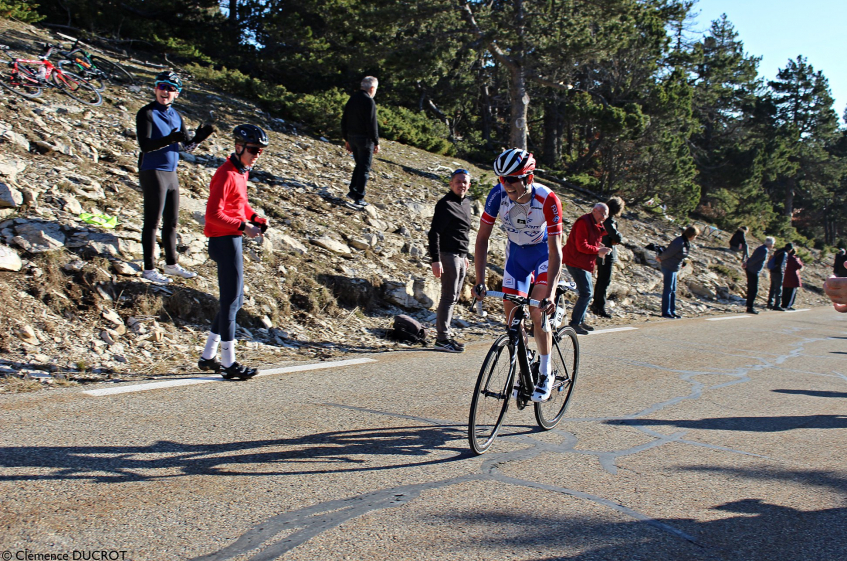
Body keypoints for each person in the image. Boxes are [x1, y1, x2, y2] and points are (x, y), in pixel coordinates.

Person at [473, 149, 563, 402]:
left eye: (512, 178)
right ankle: (524, 367)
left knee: (537, 311)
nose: (506, 184)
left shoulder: (548, 199)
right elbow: (482, 239)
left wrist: (552, 293)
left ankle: (546, 370)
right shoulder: (497, 195)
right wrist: (479, 281)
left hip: (544, 256)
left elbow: (557, 251)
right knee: (512, 320)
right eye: (502, 178)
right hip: (516, 258)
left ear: (529, 177)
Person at [197, 125, 269, 380]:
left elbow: (240, 204)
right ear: (238, 147)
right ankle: (229, 364)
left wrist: (254, 217)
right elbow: (212, 215)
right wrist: (243, 226)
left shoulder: (241, 172)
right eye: (252, 150)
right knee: (230, 302)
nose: (256, 154)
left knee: (235, 302)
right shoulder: (226, 174)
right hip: (223, 240)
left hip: (232, 238)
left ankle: (208, 357)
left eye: (260, 151)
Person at [136, 71, 215, 285]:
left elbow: (186, 146)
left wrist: (199, 138)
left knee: (171, 222)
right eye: (162, 86)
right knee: (152, 222)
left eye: (171, 89)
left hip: (171, 172)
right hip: (152, 169)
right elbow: (145, 145)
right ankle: (149, 269)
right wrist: (169, 139)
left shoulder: (176, 116)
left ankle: (171, 265)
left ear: (177, 94)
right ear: (155, 88)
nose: (166, 91)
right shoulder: (147, 113)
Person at [427, 169, 473, 353]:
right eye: (458, 181)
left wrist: (465, 255)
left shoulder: (467, 203)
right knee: (448, 296)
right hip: (447, 255)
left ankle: (445, 335)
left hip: (460, 256)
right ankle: (442, 339)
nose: (462, 185)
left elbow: (462, 232)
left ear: (468, 185)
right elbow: (434, 233)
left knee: (453, 297)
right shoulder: (445, 204)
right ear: (451, 184)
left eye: (465, 182)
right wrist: (435, 260)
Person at [563, 203, 611, 334]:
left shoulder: (594, 223)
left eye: (605, 215)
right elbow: (581, 246)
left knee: (588, 293)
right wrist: (599, 249)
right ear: (594, 211)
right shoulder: (584, 222)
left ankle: (581, 320)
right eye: (602, 214)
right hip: (575, 261)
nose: (604, 217)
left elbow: (589, 242)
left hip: (585, 263)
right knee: (586, 293)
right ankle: (575, 323)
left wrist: (598, 246)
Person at [341, 76, 380, 207]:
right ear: (372, 88)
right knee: (364, 168)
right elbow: (372, 124)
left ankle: (353, 191)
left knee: (359, 164)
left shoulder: (353, 98)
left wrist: (346, 138)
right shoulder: (369, 101)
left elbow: (344, 119)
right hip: (365, 139)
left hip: (352, 137)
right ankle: (359, 197)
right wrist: (376, 141)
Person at [590, 196, 625, 319]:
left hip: (600, 251)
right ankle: (599, 306)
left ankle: (597, 304)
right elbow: (618, 238)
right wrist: (616, 237)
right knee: (604, 281)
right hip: (607, 253)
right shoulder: (609, 221)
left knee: (601, 280)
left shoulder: (601, 218)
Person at [656, 226, 699, 318]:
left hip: (674, 267)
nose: (695, 238)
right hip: (668, 266)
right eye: (695, 236)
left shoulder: (685, 242)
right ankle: (666, 312)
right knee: (668, 289)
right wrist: (660, 258)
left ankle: (672, 311)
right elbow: (668, 253)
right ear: (691, 235)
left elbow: (679, 255)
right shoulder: (679, 241)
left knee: (673, 290)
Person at [743, 236, 775, 314]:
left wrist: (747, 264)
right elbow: (755, 260)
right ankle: (750, 307)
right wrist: (747, 264)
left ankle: (749, 306)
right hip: (753, 271)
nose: (773, 246)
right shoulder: (764, 250)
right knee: (753, 290)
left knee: (751, 289)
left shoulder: (761, 248)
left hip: (752, 270)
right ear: (770, 244)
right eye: (773, 244)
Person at [767, 242, 792, 311]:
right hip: (778, 273)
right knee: (778, 289)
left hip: (773, 271)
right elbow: (781, 265)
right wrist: (782, 273)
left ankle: (770, 303)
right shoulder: (784, 253)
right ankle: (777, 305)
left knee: (772, 287)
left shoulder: (778, 251)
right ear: (790, 249)